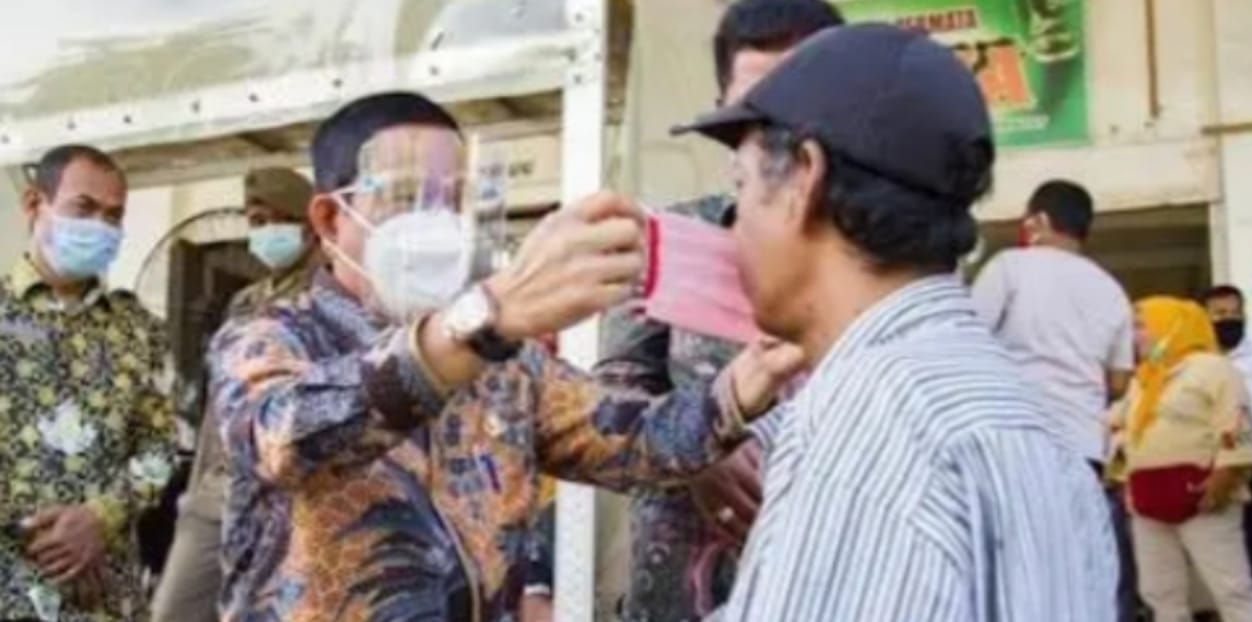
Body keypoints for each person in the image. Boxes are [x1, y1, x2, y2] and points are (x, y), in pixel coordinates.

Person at [209, 92, 802, 621]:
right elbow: (288, 440)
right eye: (406, 197)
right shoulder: (267, 339)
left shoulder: (507, 366)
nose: (435, 221)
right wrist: (479, 323)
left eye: (452, 200)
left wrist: (749, 378)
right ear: (329, 219)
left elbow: (640, 442)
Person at [673, 23, 1116, 620]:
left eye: (742, 186)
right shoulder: (1032, 418)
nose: (736, 224)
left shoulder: (867, 427)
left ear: (804, 178)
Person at [594, 1, 842, 619]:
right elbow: (605, 404)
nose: (776, 134)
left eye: (799, 105)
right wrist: (697, 446)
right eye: (753, 111)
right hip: (684, 592)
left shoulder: (884, 256)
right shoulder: (667, 243)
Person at [0, 145, 176, 621]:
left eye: (113, 215)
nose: (100, 225)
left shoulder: (138, 329)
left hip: (108, 595)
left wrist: (101, 517)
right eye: (84, 207)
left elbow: (160, 446)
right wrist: (50, 535)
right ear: (34, 204)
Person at [150, 168, 317, 622]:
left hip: (283, 493)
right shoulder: (245, 302)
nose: (266, 232)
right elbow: (217, 407)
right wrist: (195, 488)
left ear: (310, 225)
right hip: (219, 485)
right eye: (257, 221)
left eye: (279, 220)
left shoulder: (328, 296)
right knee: (175, 609)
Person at [1111, 297, 1252, 622]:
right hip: (1148, 502)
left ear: (1169, 326)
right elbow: (1121, 427)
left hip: (1203, 494)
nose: (1135, 335)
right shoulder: (1145, 379)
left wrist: (1224, 478)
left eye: (1142, 326)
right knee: (1160, 593)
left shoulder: (1213, 368)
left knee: (1231, 589)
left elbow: (1236, 424)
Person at [972, 179, 1133, 466]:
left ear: (1040, 220)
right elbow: (1119, 382)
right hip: (1085, 444)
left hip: (1018, 439)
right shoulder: (1111, 289)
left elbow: (968, 340)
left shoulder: (1009, 267)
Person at [1202, 284, 1252, 600]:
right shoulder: (1195, 361)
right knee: (1221, 562)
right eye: (1220, 313)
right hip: (1212, 473)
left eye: (1236, 313)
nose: (1229, 319)